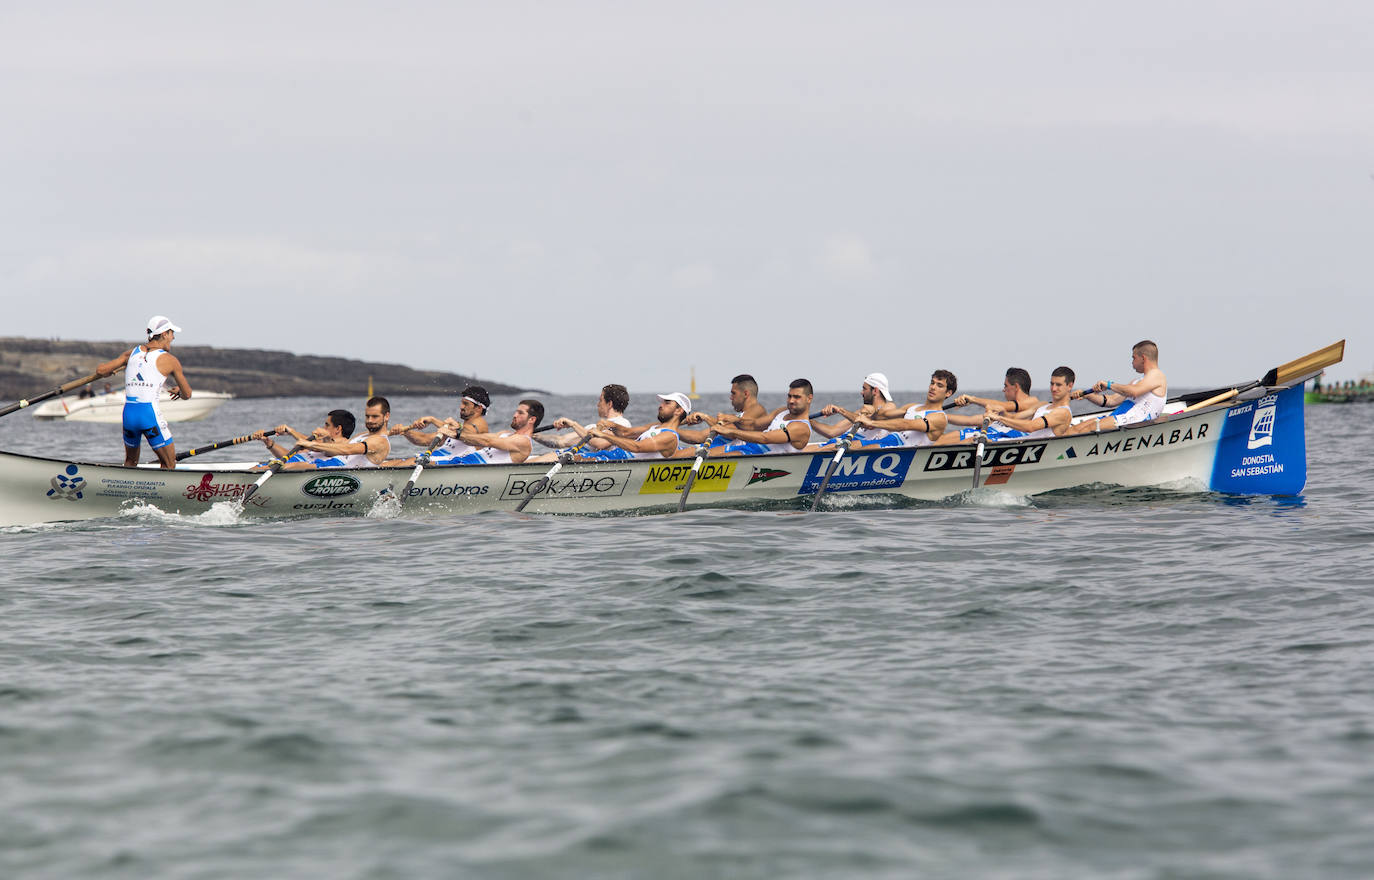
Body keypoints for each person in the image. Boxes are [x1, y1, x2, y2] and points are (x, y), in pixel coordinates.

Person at [94, 315, 193, 468]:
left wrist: (109, 372)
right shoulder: (171, 361)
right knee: (168, 463)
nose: (173, 338)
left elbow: (101, 370)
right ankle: (162, 491)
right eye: (172, 333)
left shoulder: (131, 353)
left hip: (129, 415)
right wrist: (179, 391)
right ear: (164, 334)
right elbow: (187, 395)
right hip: (149, 415)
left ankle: (124, 490)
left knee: (130, 462)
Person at [1066, 340, 1168, 434]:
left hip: (1135, 421)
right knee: (1075, 429)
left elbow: (1134, 392)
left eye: (1134, 358)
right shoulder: (1138, 382)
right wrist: (1087, 395)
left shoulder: (1156, 375)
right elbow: (1111, 400)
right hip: (1120, 417)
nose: (1132, 362)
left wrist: (1109, 385)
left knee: (1088, 429)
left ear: (1143, 358)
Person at [386, 386, 491, 467]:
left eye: (466, 404)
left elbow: (467, 435)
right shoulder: (458, 428)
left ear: (479, 408)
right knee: (390, 464)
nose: (461, 407)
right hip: (434, 458)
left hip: (451, 464)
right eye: (462, 403)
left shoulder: (480, 423)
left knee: (410, 462)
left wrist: (433, 420)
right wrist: (405, 432)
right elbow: (424, 440)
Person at [937, 367, 1042, 444]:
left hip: (1009, 437)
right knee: (940, 440)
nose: (1003, 390)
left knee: (966, 439)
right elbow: (970, 420)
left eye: (1006, 386)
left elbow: (1003, 406)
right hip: (995, 432)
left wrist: (972, 399)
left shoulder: (1032, 402)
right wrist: (939, 415)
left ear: (1016, 387)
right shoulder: (1005, 412)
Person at [707, 379, 814, 454]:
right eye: (789, 396)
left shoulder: (801, 428)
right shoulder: (783, 411)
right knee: (704, 454)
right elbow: (754, 425)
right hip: (749, 448)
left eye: (797, 397)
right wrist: (735, 419)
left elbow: (765, 438)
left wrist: (730, 431)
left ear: (809, 398)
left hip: (760, 458)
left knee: (720, 458)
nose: (791, 401)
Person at [854, 370, 956, 447]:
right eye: (932, 383)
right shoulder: (912, 407)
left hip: (900, 448)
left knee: (857, 448)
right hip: (888, 440)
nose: (933, 387)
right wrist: (871, 412)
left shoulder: (939, 417)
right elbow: (884, 415)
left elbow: (906, 424)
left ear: (948, 393)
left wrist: (871, 423)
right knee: (847, 445)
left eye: (939, 385)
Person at [529, 383, 631, 461]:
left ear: (609, 404)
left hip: (587, 459)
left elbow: (600, 443)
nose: (598, 405)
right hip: (573, 455)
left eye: (600, 400)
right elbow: (561, 441)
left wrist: (574, 424)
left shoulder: (622, 424)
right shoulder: (592, 427)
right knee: (531, 461)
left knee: (535, 462)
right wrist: (530, 434)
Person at [585, 393, 691, 460]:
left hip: (618, 461)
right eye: (662, 403)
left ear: (679, 410)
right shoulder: (655, 427)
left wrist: (603, 435)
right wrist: (610, 425)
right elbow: (627, 433)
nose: (660, 406)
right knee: (573, 457)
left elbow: (637, 447)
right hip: (613, 456)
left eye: (667, 403)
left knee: (576, 460)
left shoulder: (669, 437)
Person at [291, 396, 392, 466]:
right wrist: (325, 438)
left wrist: (310, 444)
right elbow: (336, 449)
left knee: (290, 467)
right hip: (333, 466)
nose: (369, 420)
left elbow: (347, 449)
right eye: (367, 416)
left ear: (386, 416)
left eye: (374, 417)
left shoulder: (380, 441)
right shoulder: (364, 435)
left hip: (341, 474)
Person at [811, 372, 904, 447]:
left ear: (875, 391)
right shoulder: (859, 413)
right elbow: (831, 432)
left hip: (858, 448)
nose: (861, 392)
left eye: (864, 389)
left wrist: (841, 410)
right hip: (839, 444)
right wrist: (805, 419)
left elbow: (869, 423)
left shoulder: (889, 407)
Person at [437, 399, 543, 465]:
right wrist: (458, 429)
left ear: (532, 419)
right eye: (516, 412)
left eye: (520, 413)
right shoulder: (505, 433)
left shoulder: (523, 442)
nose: (515, 415)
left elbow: (488, 441)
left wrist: (457, 434)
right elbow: (476, 438)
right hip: (458, 462)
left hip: (467, 471)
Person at [678, 373, 770, 446]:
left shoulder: (757, 409)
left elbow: (728, 430)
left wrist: (706, 417)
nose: (731, 397)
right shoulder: (740, 417)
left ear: (746, 394)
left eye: (734, 393)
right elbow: (699, 437)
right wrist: (670, 428)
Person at [985, 367, 1076, 439]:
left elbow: (1030, 427)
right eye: (1052, 384)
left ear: (1070, 386)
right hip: (1022, 441)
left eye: (1058, 385)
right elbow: (1014, 417)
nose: (1053, 389)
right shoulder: (1043, 405)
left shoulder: (1063, 413)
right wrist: (1002, 412)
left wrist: (999, 418)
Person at [252, 410, 357, 469]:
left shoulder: (345, 445)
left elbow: (324, 448)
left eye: (327, 425)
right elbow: (288, 456)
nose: (323, 428)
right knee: (257, 468)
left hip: (309, 471)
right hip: (290, 468)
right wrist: (268, 442)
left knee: (269, 467)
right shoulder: (319, 445)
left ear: (338, 428)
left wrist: (291, 431)